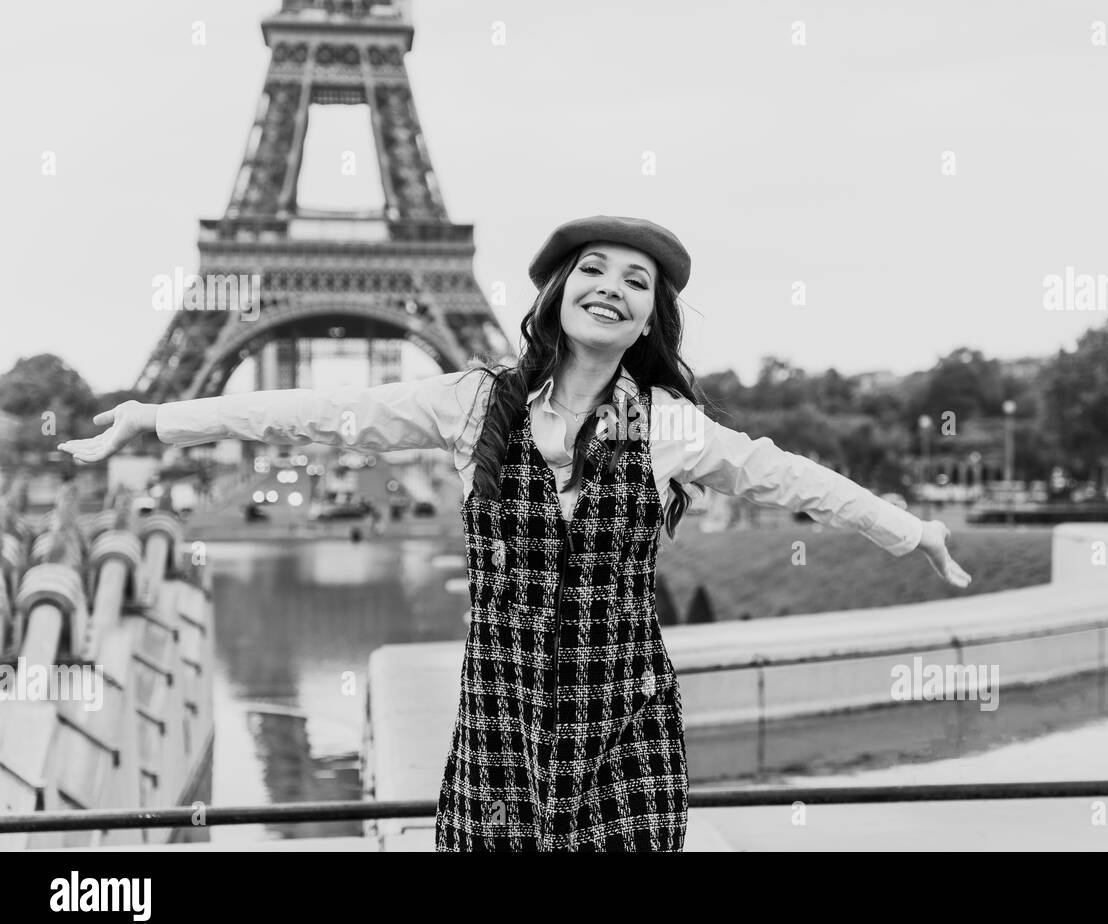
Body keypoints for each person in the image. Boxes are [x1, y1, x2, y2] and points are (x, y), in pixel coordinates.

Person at [58, 214, 971, 852]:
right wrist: (159, 418)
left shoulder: (668, 425)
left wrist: (909, 527)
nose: (611, 287)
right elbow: (325, 411)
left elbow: (786, 474)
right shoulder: (471, 404)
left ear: (652, 316)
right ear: (558, 290)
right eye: (594, 269)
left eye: (636, 280)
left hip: (625, 729)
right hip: (501, 725)